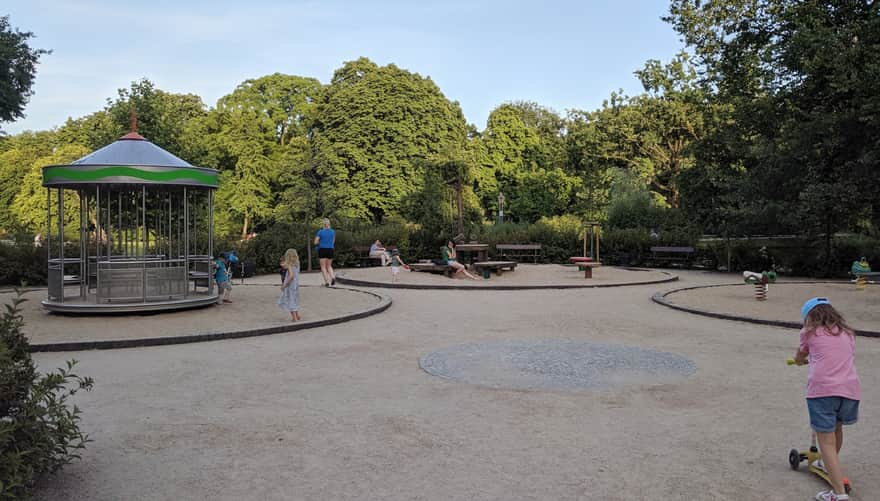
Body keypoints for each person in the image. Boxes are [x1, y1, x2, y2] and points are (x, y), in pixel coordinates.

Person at [792, 297, 860, 501]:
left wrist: (799, 361)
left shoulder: (809, 333)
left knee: (826, 442)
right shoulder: (848, 333)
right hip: (849, 390)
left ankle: (838, 495)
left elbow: (800, 354)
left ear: (810, 317)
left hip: (823, 391)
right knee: (837, 428)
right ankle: (826, 463)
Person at [278, 248, 301, 321]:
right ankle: (297, 315)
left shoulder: (289, 265)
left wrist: (284, 285)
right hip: (296, 285)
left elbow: (291, 276)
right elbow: (283, 265)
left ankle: (294, 317)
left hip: (290, 285)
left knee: (290, 300)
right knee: (294, 300)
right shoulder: (297, 264)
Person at [314, 218, 336, 286]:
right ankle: (333, 277)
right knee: (329, 266)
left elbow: (315, 242)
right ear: (329, 224)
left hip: (322, 249)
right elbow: (333, 241)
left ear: (323, 224)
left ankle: (326, 282)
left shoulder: (320, 232)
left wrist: (320, 242)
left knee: (323, 267)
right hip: (330, 249)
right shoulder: (333, 231)